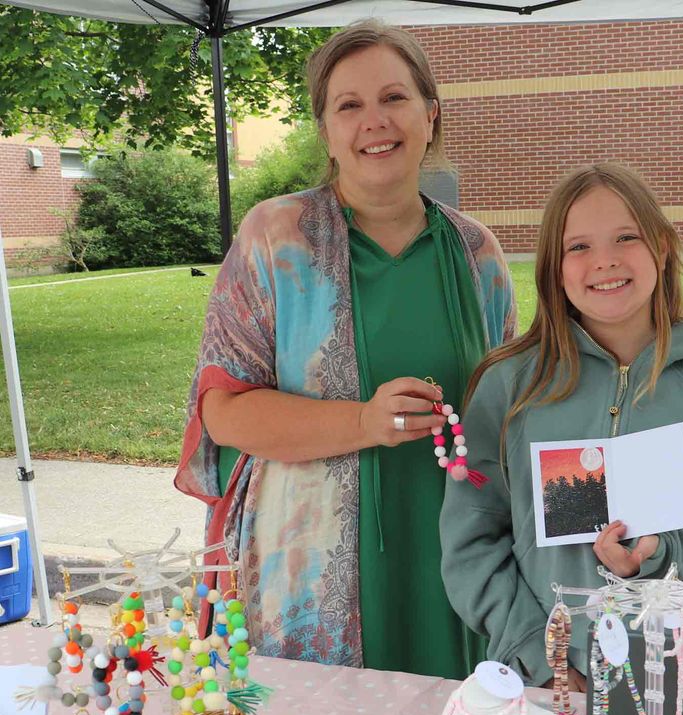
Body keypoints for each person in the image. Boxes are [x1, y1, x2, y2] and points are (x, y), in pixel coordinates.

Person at [175, 20, 515, 677]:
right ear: (327, 132)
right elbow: (223, 413)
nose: (374, 121)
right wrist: (364, 421)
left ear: (430, 114)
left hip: (454, 557)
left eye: (394, 98)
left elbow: (509, 411)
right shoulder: (275, 237)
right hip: (305, 570)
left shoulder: (479, 254)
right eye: (349, 105)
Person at [440, 163, 683, 689]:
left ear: (662, 248)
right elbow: (471, 541)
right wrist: (541, 655)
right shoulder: (510, 387)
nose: (604, 260)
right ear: (554, 269)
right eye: (578, 246)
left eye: (626, 237)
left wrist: (667, 556)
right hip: (549, 684)